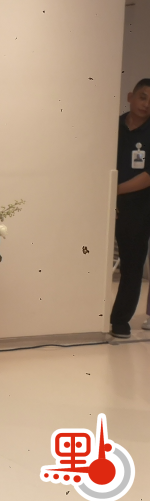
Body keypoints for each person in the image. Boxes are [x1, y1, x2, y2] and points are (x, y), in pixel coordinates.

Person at [110, 78, 150, 338]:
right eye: (143, 97)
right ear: (130, 97)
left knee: (132, 265)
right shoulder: (113, 127)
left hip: (139, 207)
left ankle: (120, 320)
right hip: (106, 204)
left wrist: (113, 190)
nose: (146, 104)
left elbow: (147, 176)